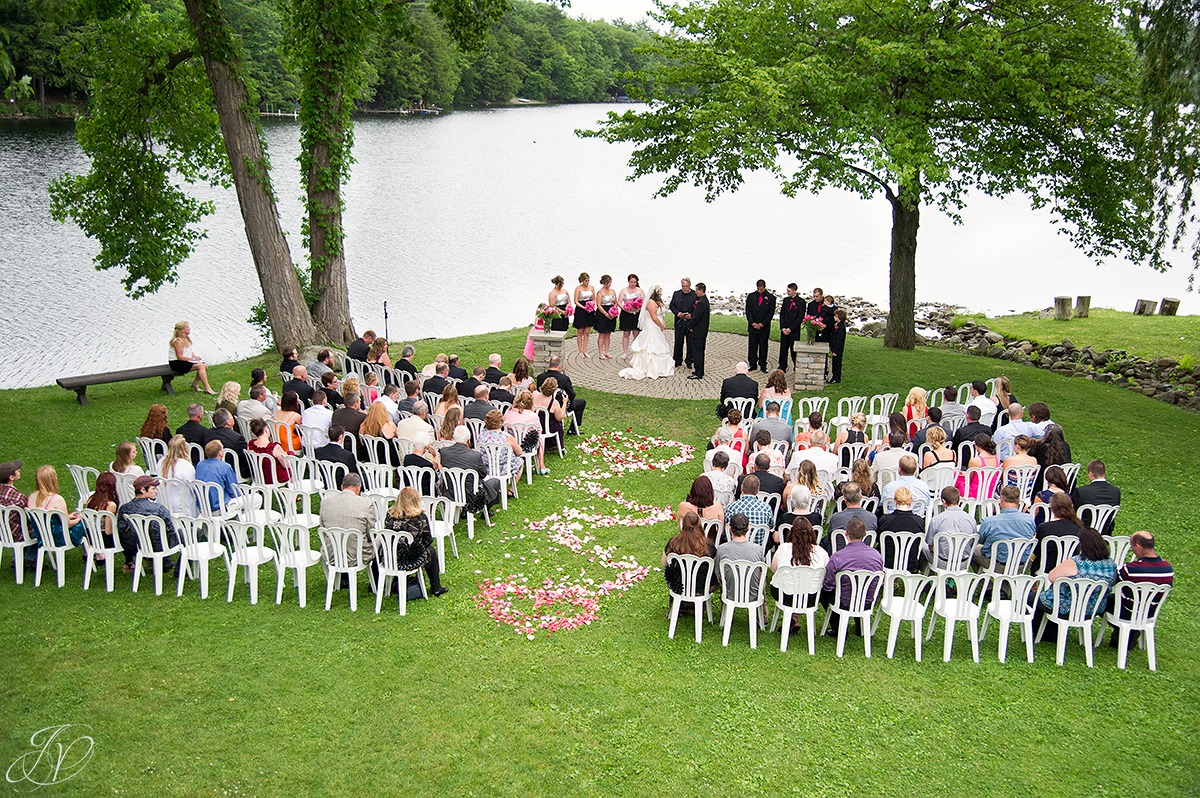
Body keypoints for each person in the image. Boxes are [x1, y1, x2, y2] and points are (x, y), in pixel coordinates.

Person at [1034, 526, 1116, 642]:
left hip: (1067, 608)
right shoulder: (1111, 564)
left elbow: (1052, 577)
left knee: (1034, 598)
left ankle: (1044, 633)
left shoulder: (1076, 562)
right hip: (1093, 608)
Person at [1106, 532, 1174, 650]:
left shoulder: (1131, 569)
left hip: (1127, 612)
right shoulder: (1168, 568)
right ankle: (1129, 633)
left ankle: (1127, 632)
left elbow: (1113, 582)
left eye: (1132, 548)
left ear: (1138, 547)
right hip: (1149, 613)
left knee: (1104, 601)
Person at [820, 517, 883, 635]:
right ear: (865, 534)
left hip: (844, 601)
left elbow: (828, 584)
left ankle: (837, 627)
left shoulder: (838, 556)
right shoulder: (877, 556)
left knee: (824, 592)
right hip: (868, 600)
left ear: (846, 533)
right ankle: (860, 626)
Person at [383, 486, 449, 597]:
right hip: (411, 560)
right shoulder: (420, 517)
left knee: (397, 547)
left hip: (390, 558)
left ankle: (392, 582)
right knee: (431, 551)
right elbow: (427, 539)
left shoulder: (390, 515)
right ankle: (436, 587)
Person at [114, 475, 178, 574]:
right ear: (143, 490)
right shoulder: (159, 509)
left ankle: (160, 561)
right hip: (161, 545)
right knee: (195, 533)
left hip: (138, 545)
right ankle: (178, 569)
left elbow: (121, 530)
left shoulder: (124, 508)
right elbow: (171, 530)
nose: (156, 491)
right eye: (153, 488)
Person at [318, 473, 377, 570]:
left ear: (342, 487)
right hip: (357, 556)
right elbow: (370, 533)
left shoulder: (325, 503)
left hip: (332, 555)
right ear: (359, 487)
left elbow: (323, 529)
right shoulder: (366, 504)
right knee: (380, 539)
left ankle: (342, 579)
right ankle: (376, 581)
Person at [972, 485, 1036, 568]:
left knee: (972, 549)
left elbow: (980, 540)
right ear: (1019, 501)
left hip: (996, 564)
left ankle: (983, 580)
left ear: (1001, 499)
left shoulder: (990, 522)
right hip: (1020, 565)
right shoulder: (1029, 520)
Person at [618, 285, 675, 380]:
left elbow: (661, 314)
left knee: (659, 344)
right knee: (651, 346)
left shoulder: (659, 302)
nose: (661, 293)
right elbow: (654, 317)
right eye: (660, 292)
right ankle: (650, 368)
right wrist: (661, 325)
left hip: (657, 327)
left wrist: (663, 322)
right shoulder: (651, 303)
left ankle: (661, 367)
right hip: (652, 326)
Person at [441, 426, 501, 508]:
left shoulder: (444, 452)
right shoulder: (475, 455)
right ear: (468, 439)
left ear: (453, 437)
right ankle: (486, 510)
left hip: (451, 492)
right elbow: (483, 474)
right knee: (495, 481)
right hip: (472, 494)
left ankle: (465, 511)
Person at [27, 465, 85, 549]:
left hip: (42, 538)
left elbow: (45, 519)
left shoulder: (32, 497)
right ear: (52, 480)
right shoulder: (57, 499)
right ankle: (95, 554)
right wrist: (80, 518)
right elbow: (68, 524)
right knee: (86, 522)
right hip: (60, 539)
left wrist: (67, 516)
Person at [663, 511, 716, 601]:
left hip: (679, 585)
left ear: (683, 525)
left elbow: (664, 563)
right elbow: (714, 566)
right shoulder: (708, 545)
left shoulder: (673, 543)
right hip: (702, 587)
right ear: (699, 525)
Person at [1030, 492, 1085, 573]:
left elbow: (1036, 551)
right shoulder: (1079, 527)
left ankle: (1035, 584)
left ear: (1052, 508)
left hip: (1046, 569)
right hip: (1069, 569)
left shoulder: (1045, 527)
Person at [923, 486, 976, 567]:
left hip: (942, 562)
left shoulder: (936, 519)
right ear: (959, 500)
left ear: (943, 501)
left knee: (922, 545)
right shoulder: (971, 519)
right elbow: (972, 543)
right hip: (963, 562)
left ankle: (927, 574)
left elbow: (930, 544)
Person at [878, 487, 925, 571]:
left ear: (895, 500)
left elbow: (879, 539)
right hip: (910, 563)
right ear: (911, 501)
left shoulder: (885, 520)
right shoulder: (919, 521)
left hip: (888, 563)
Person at [535, 356, 586, 431]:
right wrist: (565, 402)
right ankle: (573, 429)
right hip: (560, 406)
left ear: (549, 365)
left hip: (542, 405)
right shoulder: (564, 379)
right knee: (582, 402)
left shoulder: (540, 377)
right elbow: (571, 395)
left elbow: (539, 391)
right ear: (559, 366)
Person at [715, 514, 764, 591]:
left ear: (730, 529)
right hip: (753, 598)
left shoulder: (721, 549)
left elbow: (718, 574)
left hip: (729, 596)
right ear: (748, 528)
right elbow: (761, 575)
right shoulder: (758, 549)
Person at [1070, 459, 1121, 533]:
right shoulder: (1115, 491)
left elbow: (1073, 512)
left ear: (1090, 473)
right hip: (1104, 532)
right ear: (1105, 472)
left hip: (1083, 532)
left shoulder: (1081, 491)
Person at [477, 410, 524, 485]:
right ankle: (511, 490)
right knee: (520, 461)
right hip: (502, 469)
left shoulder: (481, 435)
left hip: (484, 468)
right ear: (502, 422)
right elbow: (519, 452)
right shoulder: (506, 437)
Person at [167, 321, 215, 394]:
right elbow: (180, 357)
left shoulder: (186, 339)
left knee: (204, 365)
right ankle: (207, 388)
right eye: (187, 327)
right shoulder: (178, 341)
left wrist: (195, 357)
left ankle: (195, 384)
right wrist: (192, 359)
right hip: (176, 363)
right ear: (182, 330)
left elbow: (189, 351)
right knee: (201, 366)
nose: (189, 329)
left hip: (184, 361)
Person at [157, 435, 196, 514]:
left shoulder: (161, 462)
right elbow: (193, 486)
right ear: (184, 448)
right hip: (182, 506)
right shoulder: (185, 465)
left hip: (164, 502)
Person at [83, 472, 119, 555]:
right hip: (104, 541)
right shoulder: (110, 505)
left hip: (91, 537)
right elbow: (108, 531)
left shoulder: (91, 499)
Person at [745, 279, 776, 372]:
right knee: (752, 346)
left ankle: (763, 364)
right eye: (758, 289)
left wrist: (762, 324)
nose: (759, 291)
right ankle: (752, 363)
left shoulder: (771, 298)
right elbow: (748, 311)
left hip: (764, 327)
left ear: (764, 287)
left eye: (761, 289)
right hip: (753, 326)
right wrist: (752, 323)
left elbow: (771, 313)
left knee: (763, 346)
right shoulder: (751, 297)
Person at [247, 418, 291, 485]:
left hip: (259, 477)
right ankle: (294, 490)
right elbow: (286, 465)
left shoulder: (250, 445)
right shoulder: (274, 448)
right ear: (265, 429)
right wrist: (290, 455)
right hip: (275, 478)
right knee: (291, 464)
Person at [205, 409, 248, 474]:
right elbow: (246, 456)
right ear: (228, 422)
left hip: (212, 467)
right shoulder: (237, 438)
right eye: (231, 416)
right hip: (235, 470)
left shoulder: (208, 433)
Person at [0, 461, 30, 556]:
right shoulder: (19, 498)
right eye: (16, 470)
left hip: (2, 534)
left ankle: (19, 557)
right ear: (11, 477)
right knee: (42, 528)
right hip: (17, 535)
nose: (19, 470)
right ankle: (30, 557)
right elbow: (29, 517)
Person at [960, 433, 1002, 499]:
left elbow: (968, 480)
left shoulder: (975, 461)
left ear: (977, 445)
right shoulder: (996, 459)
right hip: (989, 492)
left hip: (975, 493)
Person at [668, 277, 697, 369]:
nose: (685, 288)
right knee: (678, 341)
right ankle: (677, 359)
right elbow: (672, 305)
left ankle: (689, 360)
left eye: (686, 286)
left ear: (690, 286)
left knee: (690, 342)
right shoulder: (676, 294)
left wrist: (691, 315)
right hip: (679, 321)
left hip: (690, 322)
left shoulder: (694, 295)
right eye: (683, 286)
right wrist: (677, 313)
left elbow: (698, 308)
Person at [532, 377, 567, 453]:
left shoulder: (534, 394)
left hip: (534, 424)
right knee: (558, 423)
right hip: (547, 428)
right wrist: (564, 403)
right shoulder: (554, 403)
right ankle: (556, 445)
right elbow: (560, 417)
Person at [686, 282, 711, 379]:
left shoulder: (701, 303)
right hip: (702, 331)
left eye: (696, 290)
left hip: (698, 331)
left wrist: (689, 325)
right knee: (700, 351)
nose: (695, 292)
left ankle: (698, 372)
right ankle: (700, 370)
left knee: (697, 352)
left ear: (701, 290)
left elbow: (696, 318)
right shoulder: (705, 300)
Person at [776, 283, 803, 372]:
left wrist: (790, 329)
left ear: (794, 291)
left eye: (789, 291)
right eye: (787, 291)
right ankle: (782, 365)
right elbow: (782, 314)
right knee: (783, 348)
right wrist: (783, 327)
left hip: (794, 331)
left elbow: (800, 317)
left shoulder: (801, 302)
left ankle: (796, 365)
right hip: (785, 329)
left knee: (793, 349)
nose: (787, 293)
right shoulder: (785, 300)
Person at [617, 273, 645, 355]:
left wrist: (638, 307)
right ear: (628, 282)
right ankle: (625, 352)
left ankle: (635, 351)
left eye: (634, 282)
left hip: (636, 313)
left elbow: (644, 301)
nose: (633, 284)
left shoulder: (640, 290)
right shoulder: (624, 290)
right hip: (626, 314)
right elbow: (619, 302)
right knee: (626, 333)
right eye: (631, 282)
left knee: (636, 333)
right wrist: (625, 308)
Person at [593, 274, 619, 360]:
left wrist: (614, 309)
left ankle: (606, 351)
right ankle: (600, 352)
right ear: (603, 283)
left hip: (611, 311)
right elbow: (599, 305)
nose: (609, 285)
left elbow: (616, 301)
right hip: (602, 313)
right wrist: (606, 314)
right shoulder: (600, 292)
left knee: (608, 333)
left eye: (610, 283)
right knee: (602, 334)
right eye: (607, 283)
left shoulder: (612, 291)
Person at [573, 272, 595, 357]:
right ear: (582, 281)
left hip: (589, 310)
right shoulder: (578, 288)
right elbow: (576, 301)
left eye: (588, 280)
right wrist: (584, 307)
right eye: (586, 281)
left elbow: (593, 299)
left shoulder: (592, 287)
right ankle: (580, 351)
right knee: (580, 331)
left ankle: (585, 350)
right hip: (581, 310)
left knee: (587, 331)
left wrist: (592, 305)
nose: (587, 282)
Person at [828, 308, 848, 383]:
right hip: (834, 347)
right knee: (834, 362)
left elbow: (840, 340)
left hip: (838, 349)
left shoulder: (841, 327)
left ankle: (837, 377)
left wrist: (835, 350)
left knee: (837, 363)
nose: (834, 317)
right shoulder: (836, 325)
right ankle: (834, 376)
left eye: (836, 316)